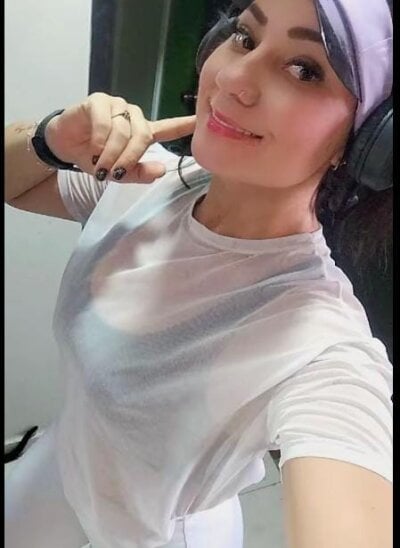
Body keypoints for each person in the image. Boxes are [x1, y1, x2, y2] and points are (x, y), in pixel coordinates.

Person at [5, 0, 392, 547]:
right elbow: (13, 182)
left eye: (304, 70)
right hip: (65, 463)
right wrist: (50, 140)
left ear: (367, 141)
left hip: (163, 530)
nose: (232, 78)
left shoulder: (318, 340)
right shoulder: (147, 181)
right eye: (245, 37)